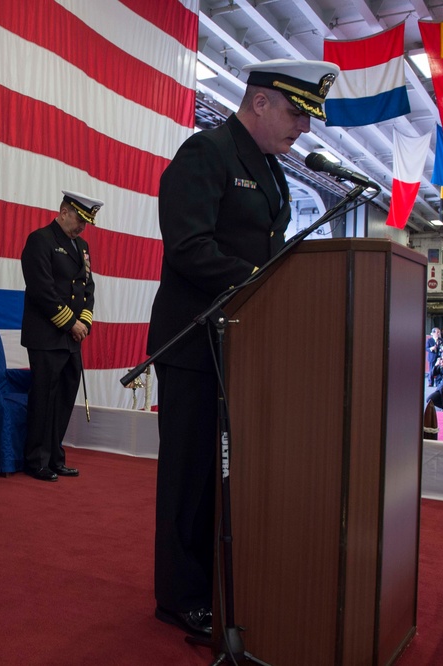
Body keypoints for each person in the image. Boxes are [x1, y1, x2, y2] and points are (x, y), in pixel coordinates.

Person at [146, 59, 339, 638]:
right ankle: (180, 596)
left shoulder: (273, 171)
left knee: (229, 477)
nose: (303, 128)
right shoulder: (205, 154)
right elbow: (188, 246)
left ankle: (220, 580)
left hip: (242, 345)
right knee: (190, 474)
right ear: (259, 101)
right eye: (296, 112)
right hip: (194, 343)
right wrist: (262, 279)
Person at [20, 191, 102, 481]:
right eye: (80, 219)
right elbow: (42, 289)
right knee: (44, 398)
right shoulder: (40, 240)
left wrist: (84, 322)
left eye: (86, 221)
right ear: (64, 211)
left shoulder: (82, 246)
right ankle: (36, 459)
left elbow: (88, 288)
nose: (82, 226)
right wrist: (71, 323)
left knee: (65, 397)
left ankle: (55, 456)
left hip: (72, 337)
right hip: (47, 334)